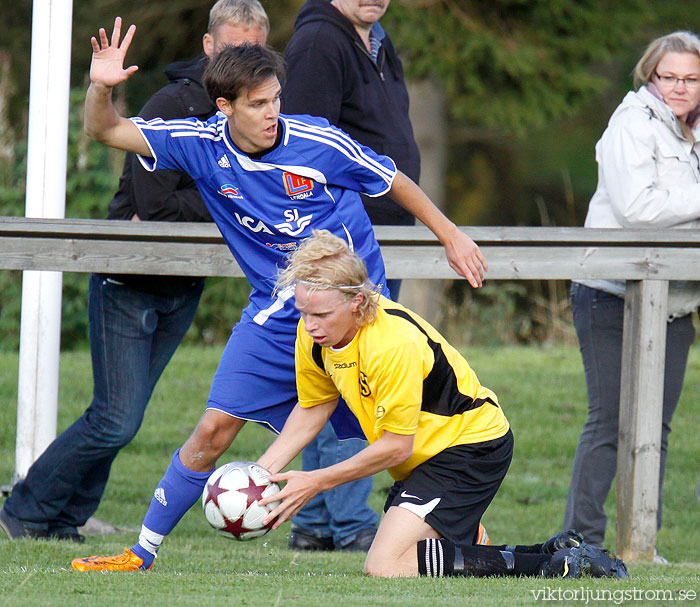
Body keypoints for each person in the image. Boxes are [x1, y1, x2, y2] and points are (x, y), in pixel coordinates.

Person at [71, 18, 487, 572]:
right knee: (214, 429)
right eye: (258, 104)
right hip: (272, 313)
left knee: (395, 444)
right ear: (224, 107)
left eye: (276, 100)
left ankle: (466, 529)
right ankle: (139, 552)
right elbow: (106, 131)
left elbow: (394, 181)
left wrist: (452, 236)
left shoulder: (319, 142)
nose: (272, 113)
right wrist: (101, 88)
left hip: (351, 313)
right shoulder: (198, 146)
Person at [0, 0, 269, 545]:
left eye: (256, 49)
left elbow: (253, 197)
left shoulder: (258, 116)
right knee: (115, 419)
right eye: (236, 47)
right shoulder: (172, 104)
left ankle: (61, 520)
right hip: (130, 279)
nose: (246, 59)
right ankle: (24, 509)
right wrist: (226, 198)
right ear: (209, 48)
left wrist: (220, 196)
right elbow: (156, 206)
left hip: (184, 285)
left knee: (122, 418)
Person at [253, 230, 628, 579]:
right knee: (413, 555)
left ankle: (550, 566)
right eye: (303, 311)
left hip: (470, 447)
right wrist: (259, 477)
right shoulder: (315, 336)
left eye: (321, 314)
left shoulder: (392, 344)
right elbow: (313, 407)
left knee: (385, 564)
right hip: (426, 458)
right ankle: (545, 552)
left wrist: (314, 482)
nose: (310, 324)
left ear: (358, 302)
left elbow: (397, 445)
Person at [278, 0, 421, 552]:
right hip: (345, 238)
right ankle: (347, 520)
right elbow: (302, 146)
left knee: (345, 375)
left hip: (379, 234)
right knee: (354, 380)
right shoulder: (320, 42)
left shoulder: (377, 40)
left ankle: (315, 523)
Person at [563, 31, 700, 563]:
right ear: (650, 76)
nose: (680, 88)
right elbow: (639, 209)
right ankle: (581, 541)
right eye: (669, 77)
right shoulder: (630, 124)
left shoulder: (692, 131)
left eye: (691, 78)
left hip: (677, 299)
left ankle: (640, 545)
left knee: (655, 428)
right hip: (609, 292)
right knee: (611, 420)